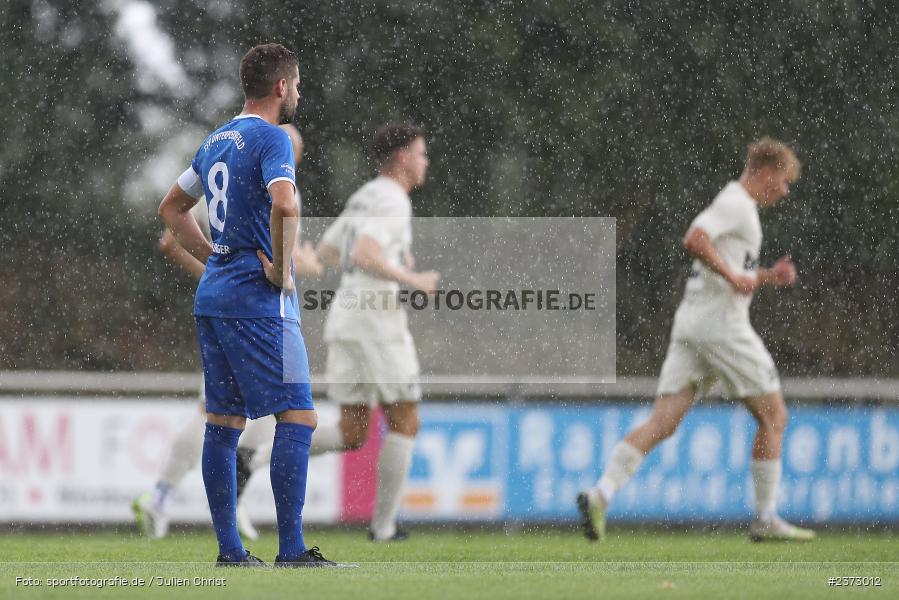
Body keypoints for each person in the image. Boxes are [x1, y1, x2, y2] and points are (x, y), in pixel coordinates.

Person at [158, 43, 349, 567]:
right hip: (257, 300)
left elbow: (171, 207)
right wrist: (278, 268)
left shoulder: (216, 139)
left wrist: (216, 253)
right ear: (282, 87)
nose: (300, 92)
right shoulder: (271, 138)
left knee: (221, 424)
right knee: (299, 417)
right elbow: (285, 202)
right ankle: (290, 550)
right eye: (298, 84)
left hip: (214, 297)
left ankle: (229, 552)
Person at [578, 137, 815, 543]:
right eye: (784, 179)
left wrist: (764, 277)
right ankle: (765, 517)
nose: (785, 189)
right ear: (764, 170)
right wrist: (732, 276)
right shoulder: (737, 202)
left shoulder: (741, 209)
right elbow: (695, 238)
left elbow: (729, 271)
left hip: (693, 325)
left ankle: (600, 494)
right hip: (721, 328)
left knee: (662, 423)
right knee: (774, 416)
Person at [134, 124, 319, 542]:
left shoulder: (245, 165)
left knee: (228, 417)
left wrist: (283, 265)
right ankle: (167, 494)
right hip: (249, 308)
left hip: (237, 304)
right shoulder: (253, 178)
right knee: (261, 414)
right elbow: (170, 239)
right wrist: (223, 269)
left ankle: (221, 520)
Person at [310, 123, 439, 541]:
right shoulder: (393, 199)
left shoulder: (365, 194)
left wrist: (391, 255)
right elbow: (365, 253)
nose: (425, 162)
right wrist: (411, 277)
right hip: (375, 317)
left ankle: (253, 458)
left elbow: (330, 252)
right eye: (421, 154)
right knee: (406, 418)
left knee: (352, 431)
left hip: (346, 316)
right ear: (402, 158)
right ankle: (384, 528)